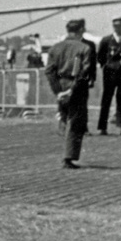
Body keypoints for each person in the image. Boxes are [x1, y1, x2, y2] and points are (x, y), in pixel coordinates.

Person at [44, 19, 94, 168]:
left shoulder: (55, 48)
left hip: (60, 85)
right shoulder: (84, 48)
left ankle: (67, 153)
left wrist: (58, 92)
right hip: (76, 88)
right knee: (75, 121)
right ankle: (68, 157)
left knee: (65, 119)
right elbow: (83, 73)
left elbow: (49, 71)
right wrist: (71, 90)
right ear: (81, 30)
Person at [96, 16, 121, 136]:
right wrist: (107, 65)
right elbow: (100, 57)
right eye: (115, 25)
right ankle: (103, 128)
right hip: (110, 73)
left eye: (119, 25)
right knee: (106, 100)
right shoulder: (106, 40)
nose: (117, 28)